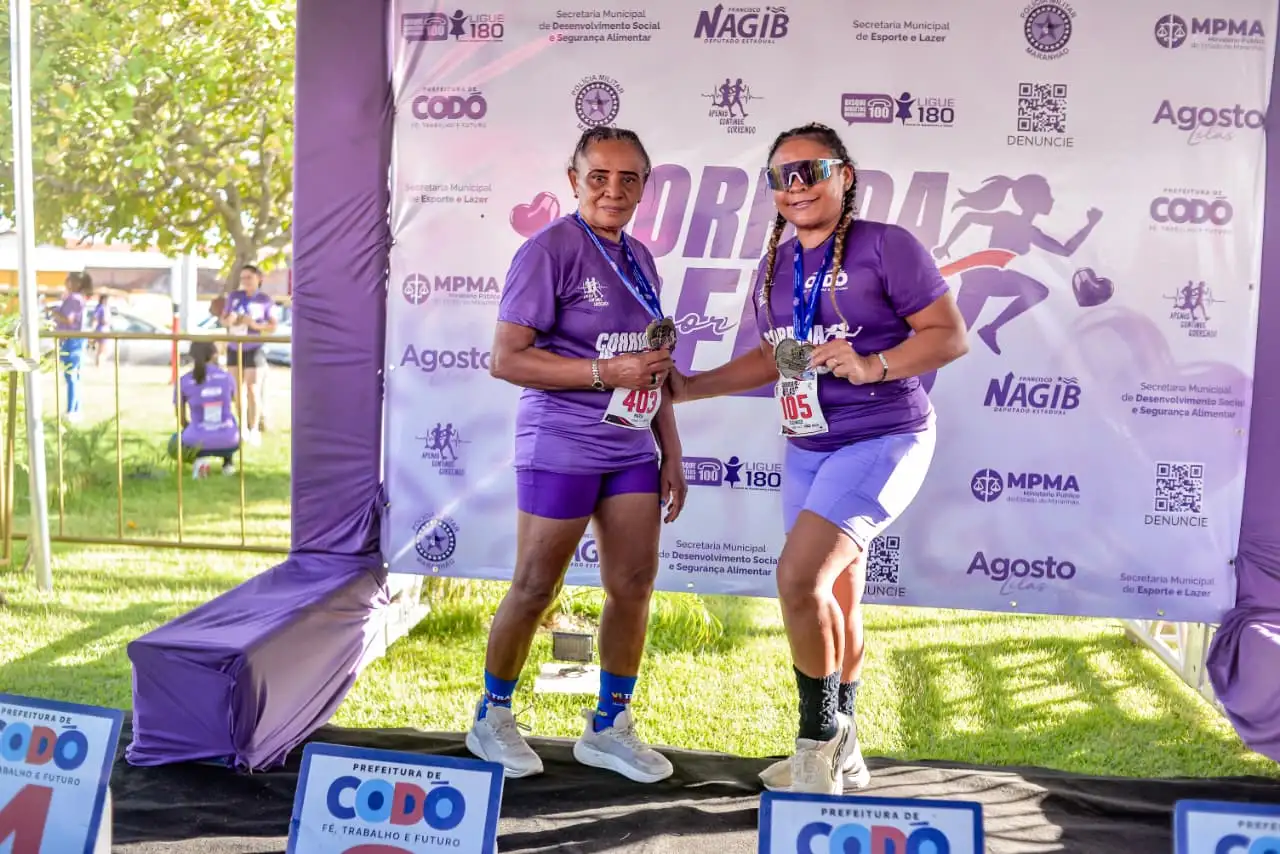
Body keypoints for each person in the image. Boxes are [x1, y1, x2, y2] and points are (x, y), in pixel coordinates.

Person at [669, 123, 969, 794]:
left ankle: (816, 745)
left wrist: (875, 364)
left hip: (884, 438)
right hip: (808, 446)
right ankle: (847, 751)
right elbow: (774, 356)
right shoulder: (777, 265)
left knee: (798, 580)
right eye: (782, 176)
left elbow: (949, 335)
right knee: (836, 595)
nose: (796, 185)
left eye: (811, 169)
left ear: (845, 175)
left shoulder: (888, 246)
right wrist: (691, 386)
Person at [468, 126, 687, 783]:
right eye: (599, 177)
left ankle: (608, 726)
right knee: (536, 586)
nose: (612, 191)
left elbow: (650, 366)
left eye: (628, 180)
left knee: (633, 586)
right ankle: (492, 716)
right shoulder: (548, 251)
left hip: (630, 448)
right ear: (574, 180)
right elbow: (507, 359)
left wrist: (669, 449)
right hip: (560, 442)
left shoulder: (641, 259)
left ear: (645, 188)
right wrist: (602, 372)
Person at [218, 264, 277, 445]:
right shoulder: (235, 296)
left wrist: (254, 325)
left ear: (258, 278)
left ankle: (254, 428)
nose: (245, 282)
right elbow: (223, 319)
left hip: (253, 347)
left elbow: (272, 326)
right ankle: (241, 427)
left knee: (252, 389)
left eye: (249, 278)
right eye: (242, 278)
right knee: (237, 389)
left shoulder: (265, 300)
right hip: (235, 346)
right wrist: (230, 320)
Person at [170, 341, 239, 477]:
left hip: (196, 440)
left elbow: (181, 417)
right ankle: (228, 463)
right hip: (229, 439)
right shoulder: (227, 377)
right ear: (214, 354)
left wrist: (191, 428)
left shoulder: (184, 381)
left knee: (176, 438)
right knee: (231, 420)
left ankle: (200, 460)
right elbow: (236, 404)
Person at [50, 272, 91, 422]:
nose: (66, 282)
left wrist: (54, 313)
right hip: (74, 339)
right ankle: (75, 409)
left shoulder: (74, 299)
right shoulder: (75, 298)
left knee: (71, 375)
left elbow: (68, 319)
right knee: (75, 375)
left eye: (70, 279)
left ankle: (71, 410)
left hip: (71, 340)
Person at [90, 294, 111, 367]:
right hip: (102, 330)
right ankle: (98, 366)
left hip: (102, 329)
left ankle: (99, 365)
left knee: (102, 350)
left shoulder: (102, 307)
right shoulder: (101, 307)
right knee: (101, 350)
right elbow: (96, 318)